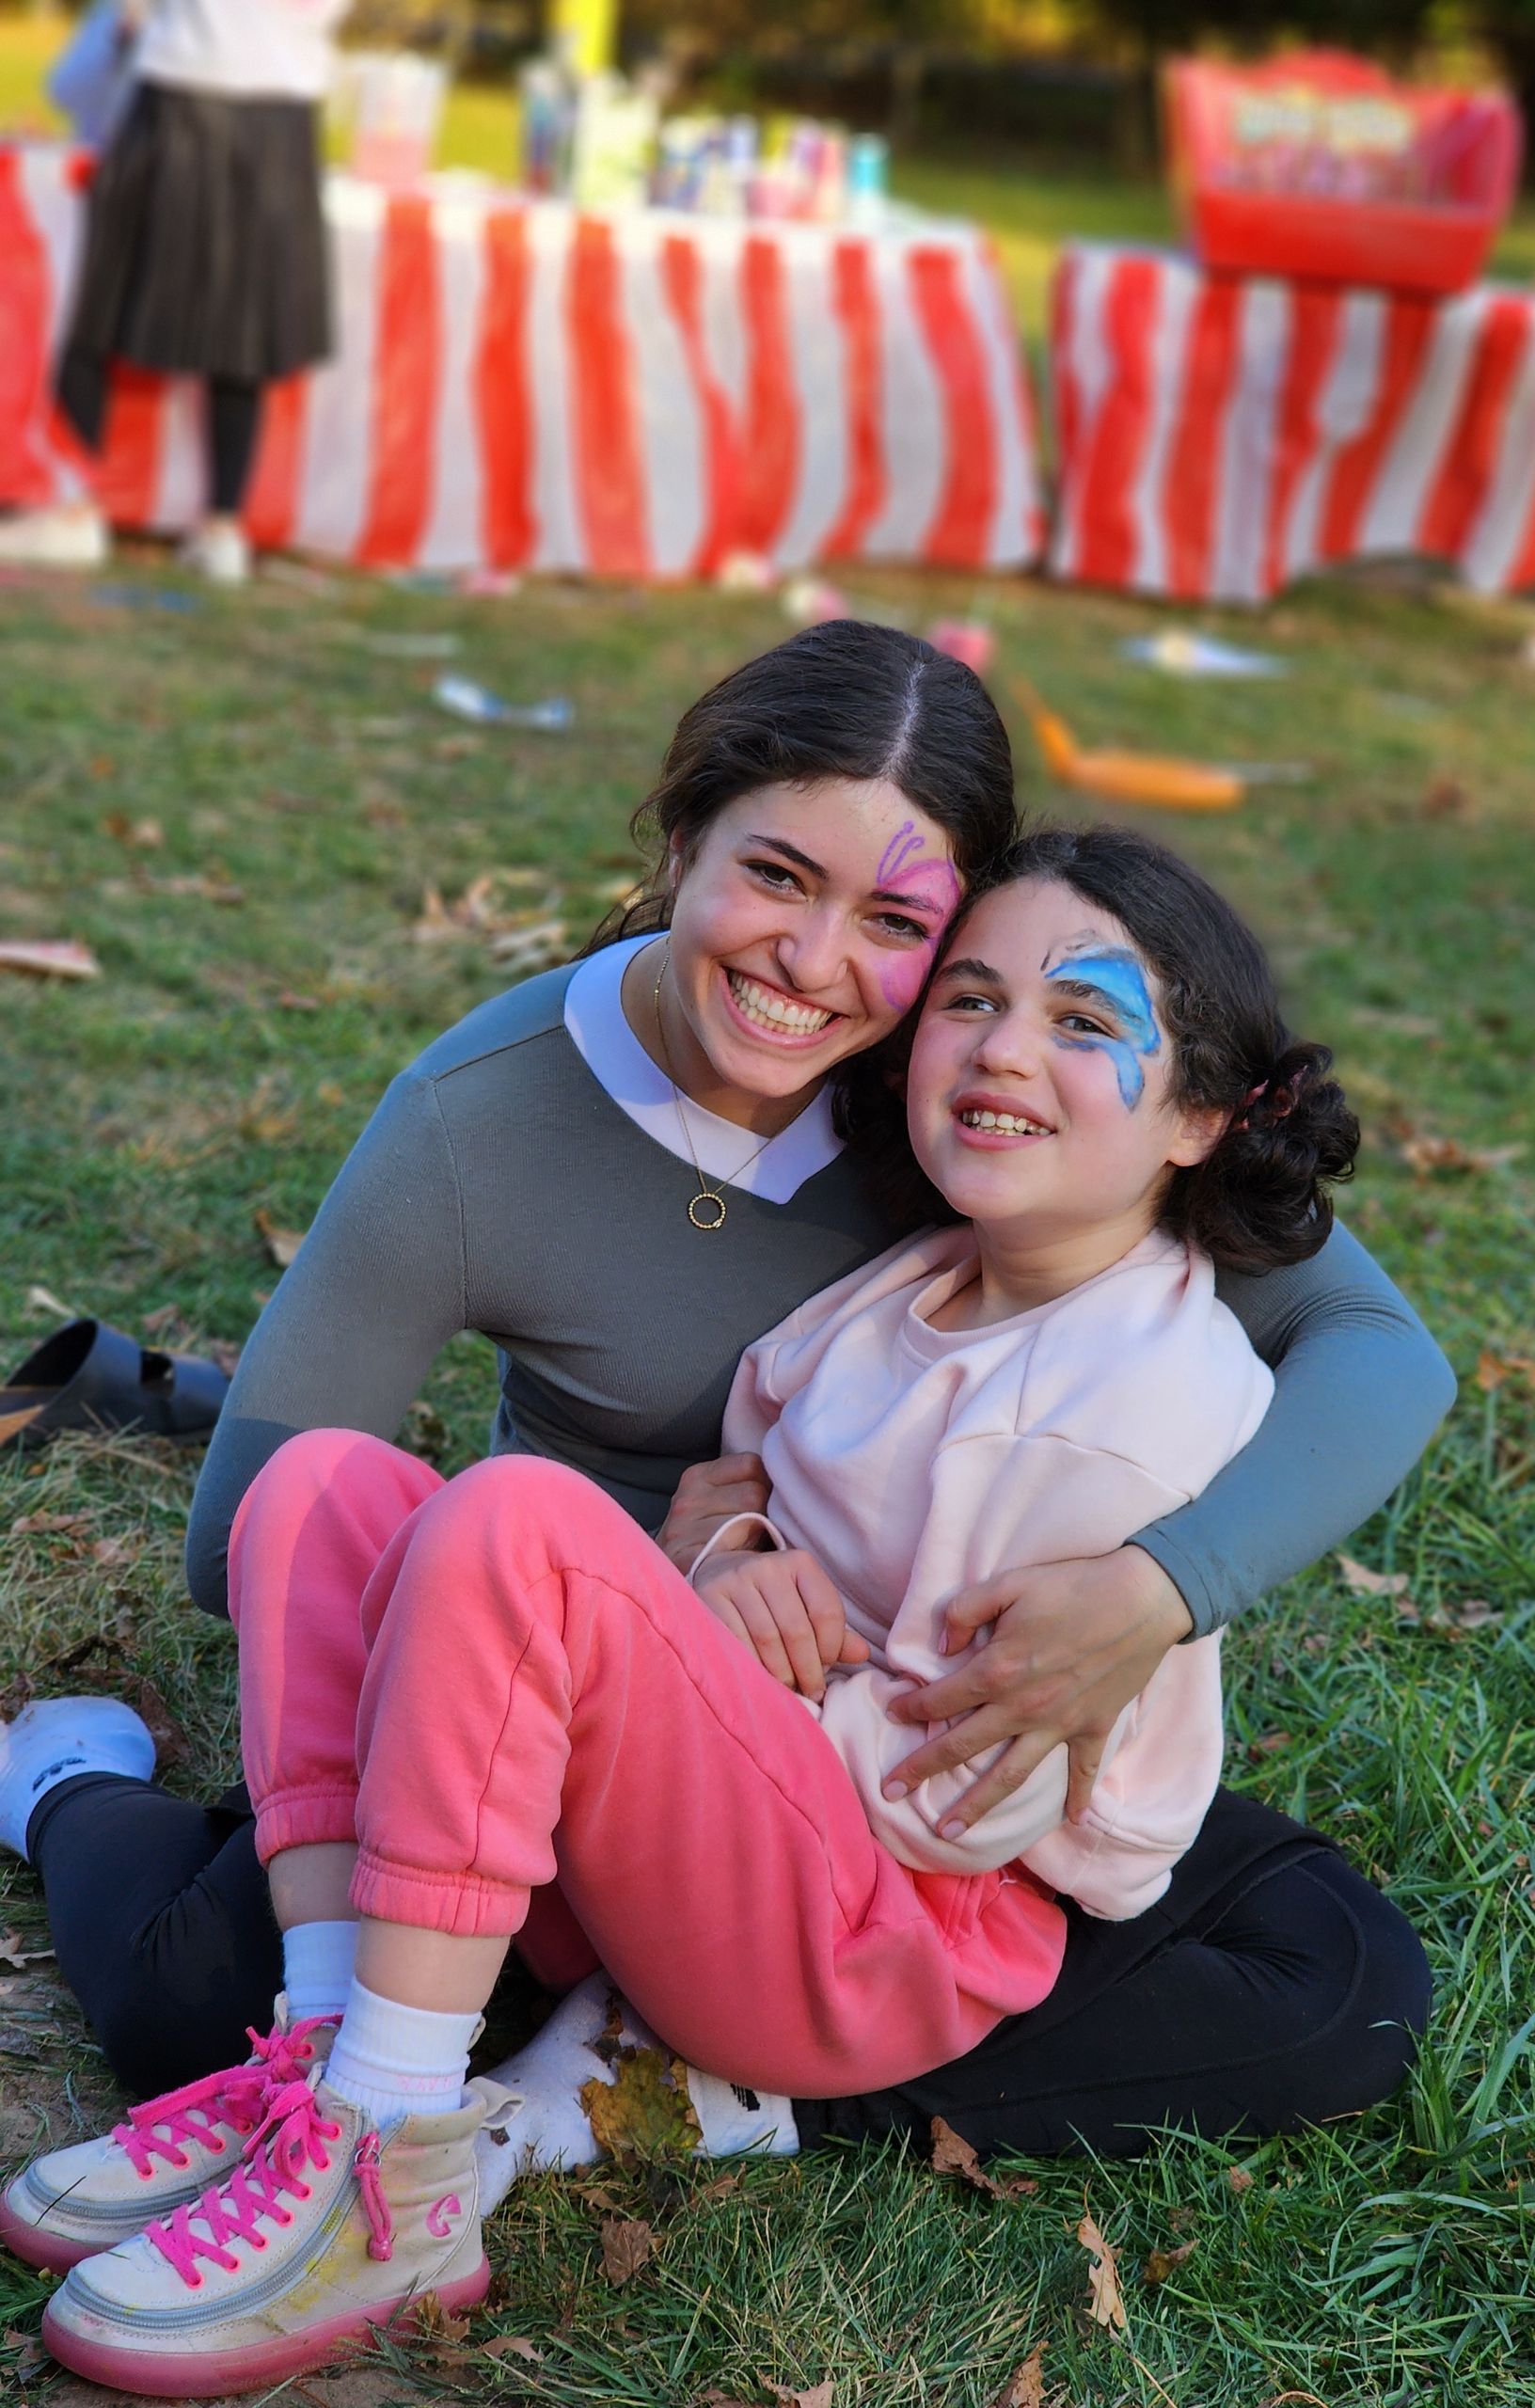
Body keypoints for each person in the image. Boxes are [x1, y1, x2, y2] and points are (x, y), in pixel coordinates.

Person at [0, 620, 1448, 2171]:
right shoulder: (486, 1118)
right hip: (544, 1680)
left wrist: (1160, 1590)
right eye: (772, 876)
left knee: (1337, 1980)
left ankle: (694, 2070)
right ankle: (74, 1781)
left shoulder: (976, 1102)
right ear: (682, 837)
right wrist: (690, 1562)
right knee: (187, 2007)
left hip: (885, 1737)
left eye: (895, 917)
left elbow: (1380, 1350)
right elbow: (255, 1535)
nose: (813, 966)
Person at [0, 0, 350, 585]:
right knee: (246, 323)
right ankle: (222, 526)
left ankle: (70, 506)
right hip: (284, 111)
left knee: (102, 305)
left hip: (180, 93)